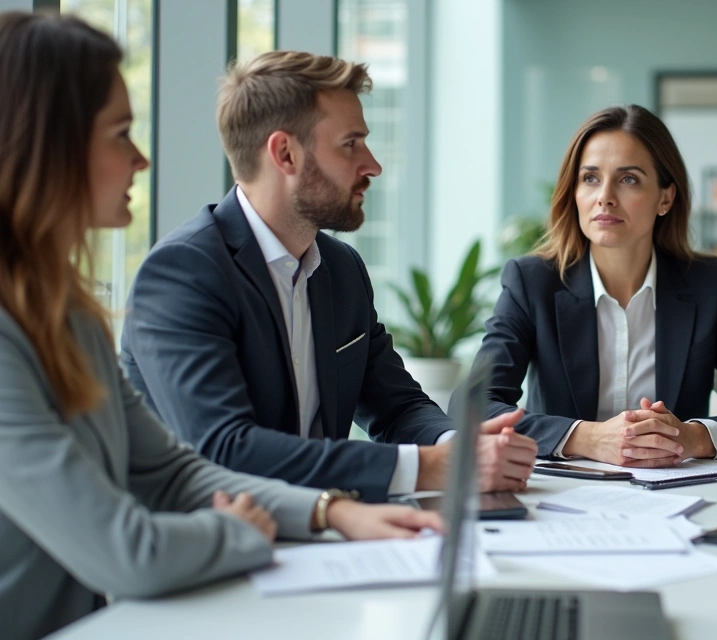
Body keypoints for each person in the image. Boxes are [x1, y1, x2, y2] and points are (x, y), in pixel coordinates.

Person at [0, 13, 446, 640]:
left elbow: (171, 472)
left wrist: (332, 512)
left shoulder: (65, 313)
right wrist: (238, 531)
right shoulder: (176, 273)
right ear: (48, 147)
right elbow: (129, 551)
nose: (142, 159)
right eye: (121, 133)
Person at [119, 50, 536, 503]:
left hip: (324, 535)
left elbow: (397, 406)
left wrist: (457, 447)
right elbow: (225, 448)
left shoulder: (341, 268)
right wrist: (428, 468)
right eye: (350, 144)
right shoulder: (183, 273)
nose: (372, 165)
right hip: (213, 546)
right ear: (285, 153)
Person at [471, 105, 717, 466]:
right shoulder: (533, 282)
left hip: (674, 493)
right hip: (561, 494)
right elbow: (475, 405)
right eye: (590, 178)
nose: (604, 196)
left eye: (628, 179)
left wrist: (690, 437)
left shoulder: (708, 284)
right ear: (574, 191)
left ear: (665, 198)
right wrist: (589, 438)